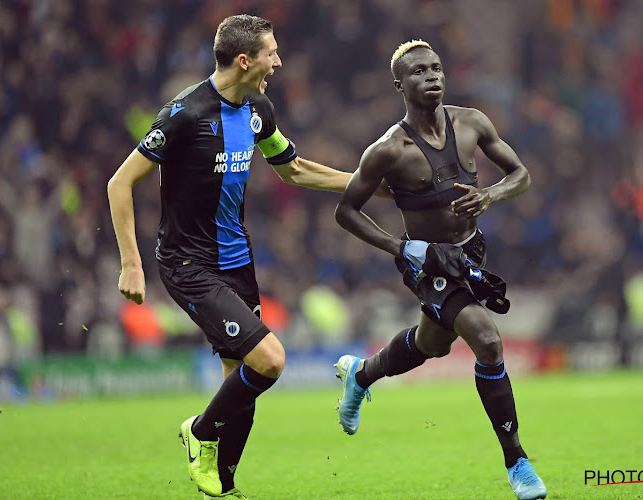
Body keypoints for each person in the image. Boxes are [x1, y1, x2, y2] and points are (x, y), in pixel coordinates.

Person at [107, 15, 388, 499]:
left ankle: (224, 487)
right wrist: (131, 262)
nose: (278, 62)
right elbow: (119, 183)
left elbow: (294, 169)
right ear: (245, 60)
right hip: (188, 264)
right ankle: (199, 432)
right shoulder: (185, 114)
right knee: (271, 360)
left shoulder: (258, 109)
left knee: (241, 381)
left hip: (238, 263)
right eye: (271, 53)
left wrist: (364, 183)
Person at [333, 40, 547, 500]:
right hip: (427, 263)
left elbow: (520, 174)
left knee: (431, 344)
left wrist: (490, 195)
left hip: (471, 252)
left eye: (436, 68)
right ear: (400, 85)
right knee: (487, 341)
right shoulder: (388, 150)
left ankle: (362, 374)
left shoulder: (472, 122)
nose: (431, 76)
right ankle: (518, 463)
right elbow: (346, 211)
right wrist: (402, 248)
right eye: (418, 71)